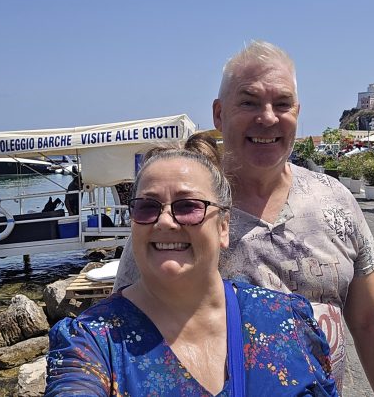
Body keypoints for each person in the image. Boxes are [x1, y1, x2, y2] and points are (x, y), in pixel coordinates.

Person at [114, 41, 374, 396]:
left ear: (297, 112)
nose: (268, 117)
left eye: (282, 104)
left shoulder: (336, 201)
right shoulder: (177, 216)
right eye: (249, 102)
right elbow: (124, 329)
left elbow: (371, 319)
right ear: (219, 114)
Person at [45, 133, 338, 396]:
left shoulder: (286, 320)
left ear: (224, 227)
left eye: (188, 207)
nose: (164, 221)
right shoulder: (95, 341)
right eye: (148, 207)